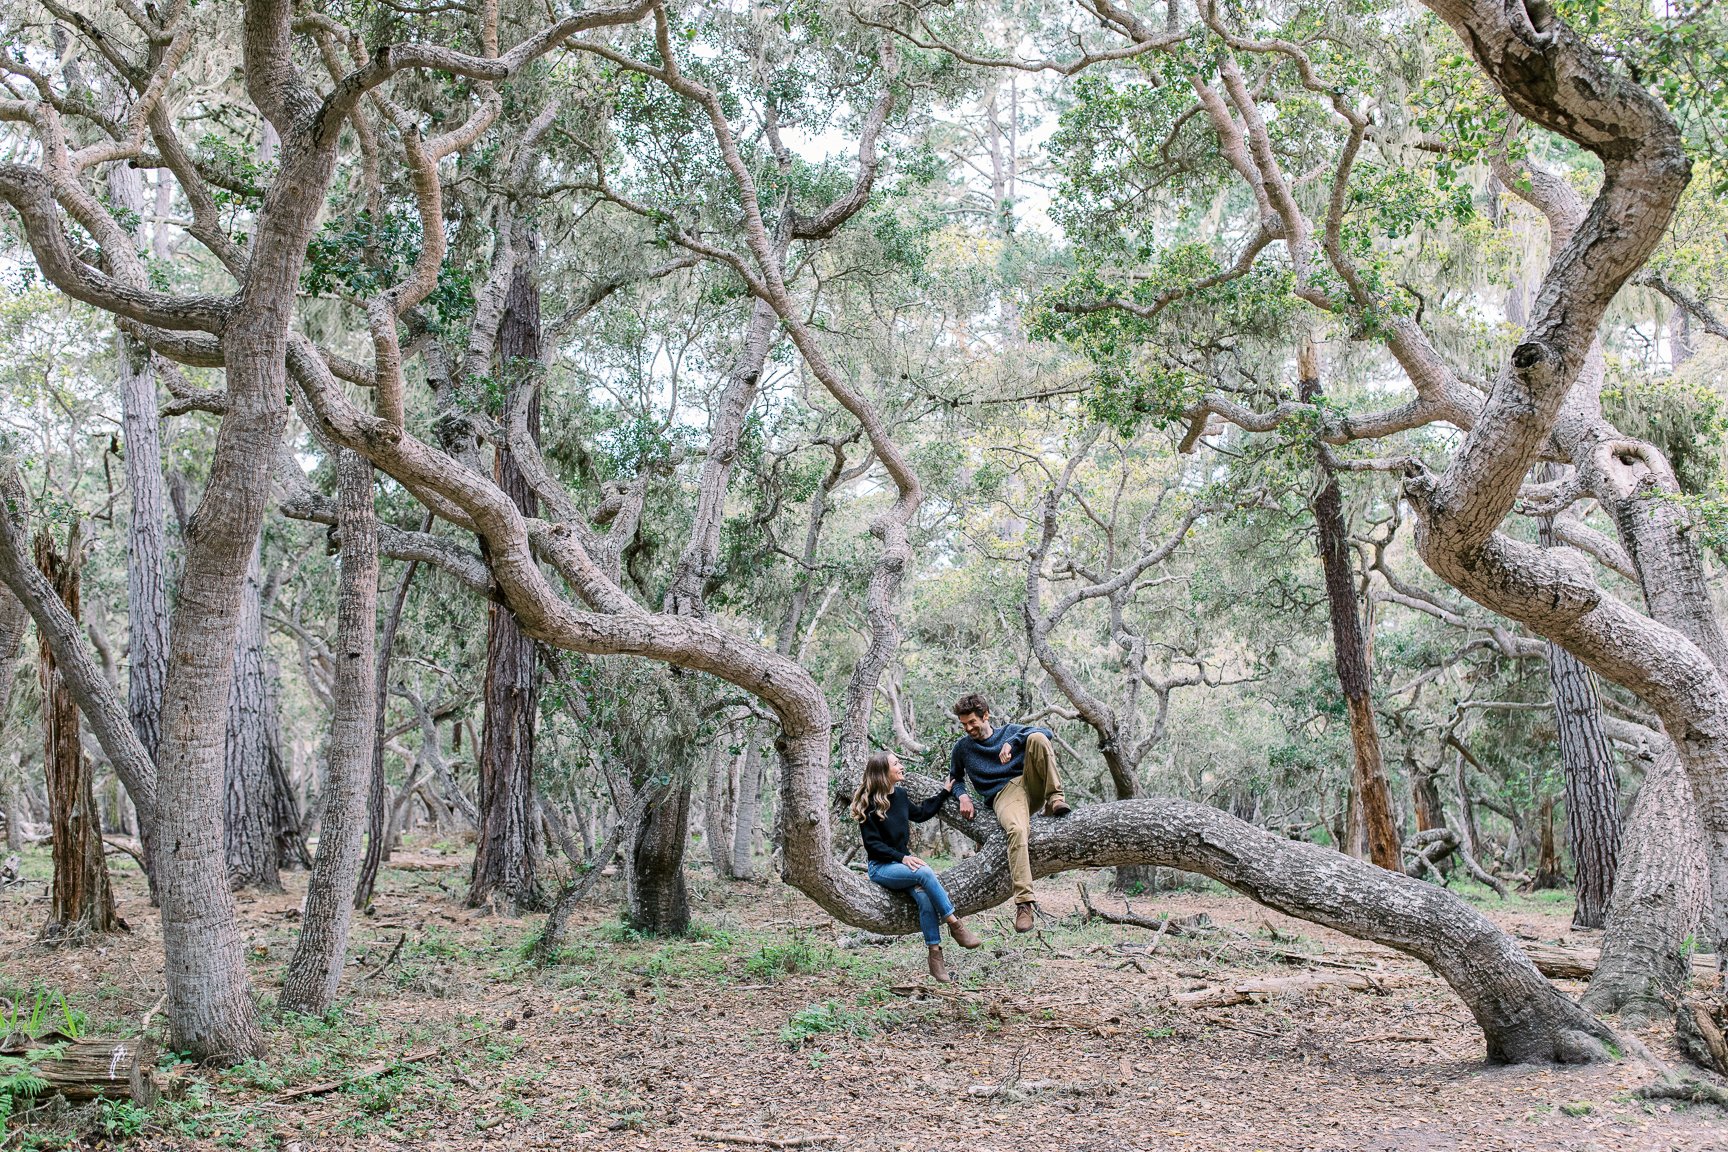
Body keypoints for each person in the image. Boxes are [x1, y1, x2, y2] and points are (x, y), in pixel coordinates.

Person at [852, 750, 983, 983]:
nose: (901, 766)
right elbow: (873, 846)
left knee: (924, 898)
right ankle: (955, 925)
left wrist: (944, 792)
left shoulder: (900, 795)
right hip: (882, 868)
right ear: (883, 772)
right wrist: (902, 858)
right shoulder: (869, 804)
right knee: (924, 871)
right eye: (896, 763)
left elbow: (922, 813)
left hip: (902, 866)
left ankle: (935, 955)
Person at [947, 692, 1070, 933]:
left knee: (1036, 737)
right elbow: (955, 778)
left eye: (972, 722)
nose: (968, 728)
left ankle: (1055, 798)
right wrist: (962, 796)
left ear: (986, 716)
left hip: (1031, 782)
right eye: (964, 724)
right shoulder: (962, 748)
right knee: (1016, 830)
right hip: (1005, 794)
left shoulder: (1010, 731)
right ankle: (1024, 903)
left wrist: (1013, 743)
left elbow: (1046, 734)